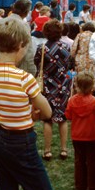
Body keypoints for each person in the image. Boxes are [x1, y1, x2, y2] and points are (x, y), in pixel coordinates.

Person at [0, 18, 58, 190]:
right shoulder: (24, 79)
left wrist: (28, 112)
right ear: (20, 46)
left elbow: (5, 107)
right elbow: (48, 112)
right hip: (21, 143)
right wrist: (35, 105)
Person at [34, 19, 72, 161]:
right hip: (63, 85)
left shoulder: (41, 48)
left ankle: (47, 150)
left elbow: (37, 63)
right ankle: (63, 150)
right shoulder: (66, 47)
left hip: (47, 86)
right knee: (63, 119)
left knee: (47, 119)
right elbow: (69, 64)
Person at [65, 72, 95, 190]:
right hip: (92, 136)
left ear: (77, 86)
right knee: (92, 161)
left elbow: (68, 116)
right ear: (92, 87)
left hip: (77, 136)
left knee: (79, 161)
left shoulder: (72, 101)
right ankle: (94, 186)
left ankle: (80, 185)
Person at [0, 0, 37, 76]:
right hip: (18, 70)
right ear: (26, 12)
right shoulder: (24, 26)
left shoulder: (0, 23)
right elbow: (28, 50)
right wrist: (31, 70)